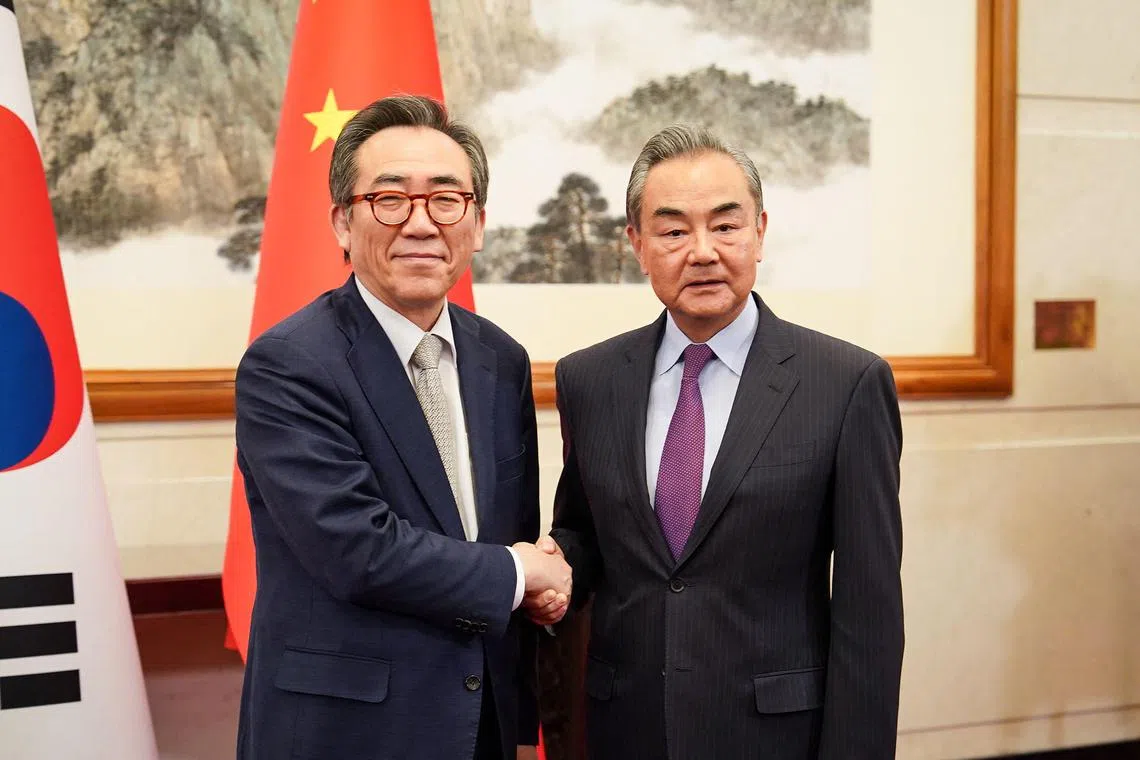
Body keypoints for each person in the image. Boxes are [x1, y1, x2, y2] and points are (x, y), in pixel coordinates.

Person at [529, 124, 904, 759]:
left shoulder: (845, 384)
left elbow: (870, 612)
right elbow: (586, 533)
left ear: (760, 232)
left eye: (725, 226)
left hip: (776, 734)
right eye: (673, 231)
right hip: (626, 728)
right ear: (637, 246)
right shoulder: (590, 379)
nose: (702, 251)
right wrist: (556, 569)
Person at [234, 95, 571, 760]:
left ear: (476, 224)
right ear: (341, 222)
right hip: (346, 730)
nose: (421, 223)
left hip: (479, 722)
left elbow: (499, 531)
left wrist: (537, 591)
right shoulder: (288, 364)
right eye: (390, 199)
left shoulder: (501, 359)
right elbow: (356, 551)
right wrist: (516, 572)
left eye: (447, 200)